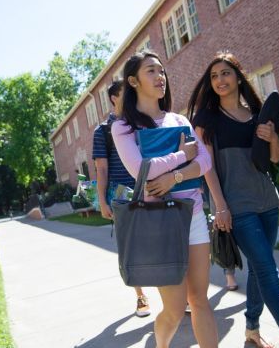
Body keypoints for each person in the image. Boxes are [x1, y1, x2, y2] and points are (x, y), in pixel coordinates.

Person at [188, 52, 279, 348]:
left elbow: (275, 158)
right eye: (214, 75)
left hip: (267, 200)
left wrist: (272, 137)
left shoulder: (256, 112)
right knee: (269, 271)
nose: (220, 80)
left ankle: (252, 329)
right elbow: (207, 167)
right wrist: (220, 206)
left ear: (238, 76)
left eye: (226, 73)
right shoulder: (207, 119)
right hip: (237, 205)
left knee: (259, 267)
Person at [112, 51, 218, 348]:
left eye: (162, 71)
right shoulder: (123, 127)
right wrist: (183, 156)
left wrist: (174, 177)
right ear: (133, 81)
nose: (160, 77)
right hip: (157, 222)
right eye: (151, 71)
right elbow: (141, 170)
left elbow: (206, 162)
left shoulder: (178, 119)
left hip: (193, 214)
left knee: (199, 300)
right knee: (174, 309)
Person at [92, 79, 151, 318]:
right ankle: (140, 296)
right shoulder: (102, 131)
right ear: (115, 97)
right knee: (131, 247)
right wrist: (103, 202)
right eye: (127, 93)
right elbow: (101, 169)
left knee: (159, 239)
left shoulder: (141, 122)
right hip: (121, 197)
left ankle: (173, 292)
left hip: (148, 189)